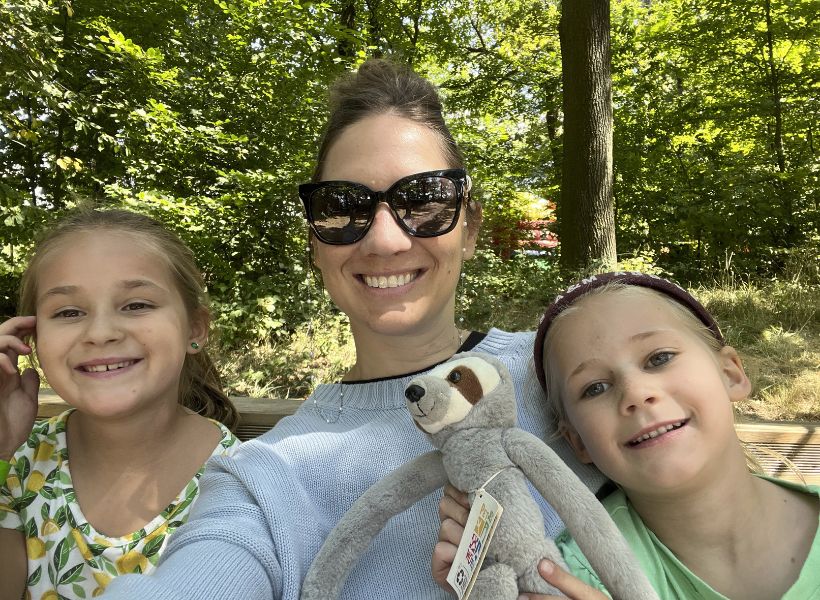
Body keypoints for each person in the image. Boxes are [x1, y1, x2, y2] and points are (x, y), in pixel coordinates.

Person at [101, 58, 606, 600]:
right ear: (316, 245)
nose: (385, 240)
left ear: (469, 228)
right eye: (343, 208)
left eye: (424, 199)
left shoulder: (572, 371)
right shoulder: (269, 476)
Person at [436, 271, 820, 599]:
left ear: (731, 375)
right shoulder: (573, 575)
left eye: (659, 358)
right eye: (595, 388)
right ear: (579, 442)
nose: (636, 393)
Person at [0, 208, 241, 600]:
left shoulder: (239, 482)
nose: (100, 333)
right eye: (69, 312)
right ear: (33, 339)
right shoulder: (19, 464)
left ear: (195, 328)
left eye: (136, 305)